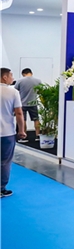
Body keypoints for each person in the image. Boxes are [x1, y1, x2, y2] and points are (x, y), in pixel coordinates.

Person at [1, 68, 26, 197]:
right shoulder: (13, 92)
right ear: (4, 77)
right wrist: (21, 130)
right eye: (11, 75)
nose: (13, 78)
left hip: (7, 133)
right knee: (5, 161)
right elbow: (19, 113)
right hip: (6, 133)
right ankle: (1, 188)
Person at [14, 68, 42, 142]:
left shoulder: (20, 81)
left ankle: (24, 137)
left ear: (23, 74)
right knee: (36, 119)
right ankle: (38, 136)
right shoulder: (38, 81)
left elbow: (15, 91)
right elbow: (40, 91)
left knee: (23, 120)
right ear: (31, 73)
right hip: (33, 103)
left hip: (22, 104)